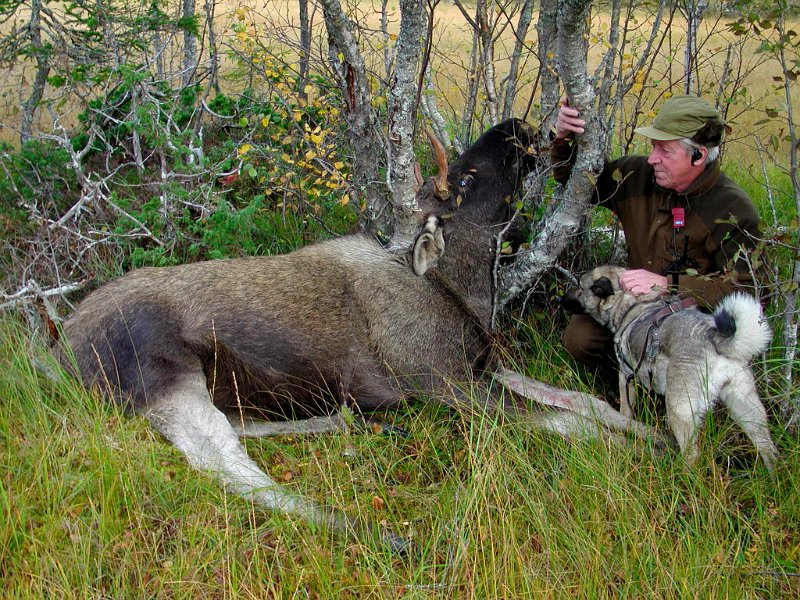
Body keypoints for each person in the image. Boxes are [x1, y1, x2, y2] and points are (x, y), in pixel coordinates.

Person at [552, 94, 764, 366]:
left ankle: (675, 388)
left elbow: (750, 292)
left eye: (665, 150)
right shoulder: (636, 175)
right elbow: (579, 184)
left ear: (698, 155)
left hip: (692, 329)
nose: (652, 159)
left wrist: (669, 285)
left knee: (683, 362)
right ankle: (631, 377)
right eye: (653, 147)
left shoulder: (733, 210)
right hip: (633, 312)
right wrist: (563, 140)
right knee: (581, 339)